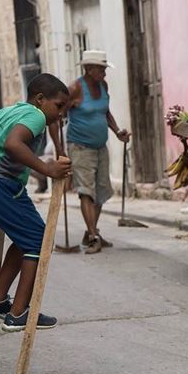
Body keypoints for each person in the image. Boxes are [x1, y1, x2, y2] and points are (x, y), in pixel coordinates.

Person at [0, 73, 72, 332]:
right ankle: (18, 313)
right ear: (40, 99)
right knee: (39, 240)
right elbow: (13, 144)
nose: (60, 114)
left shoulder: (9, 112)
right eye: (58, 107)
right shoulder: (34, 115)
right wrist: (47, 169)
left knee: (27, 238)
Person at [51, 50, 130, 255]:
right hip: (79, 147)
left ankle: (90, 232)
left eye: (104, 68)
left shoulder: (103, 86)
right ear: (89, 69)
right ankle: (94, 236)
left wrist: (117, 131)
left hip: (100, 146)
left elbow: (105, 112)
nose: (104, 72)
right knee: (86, 190)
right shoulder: (75, 88)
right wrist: (60, 149)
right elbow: (57, 116)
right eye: (101, 69)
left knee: (101, 192)